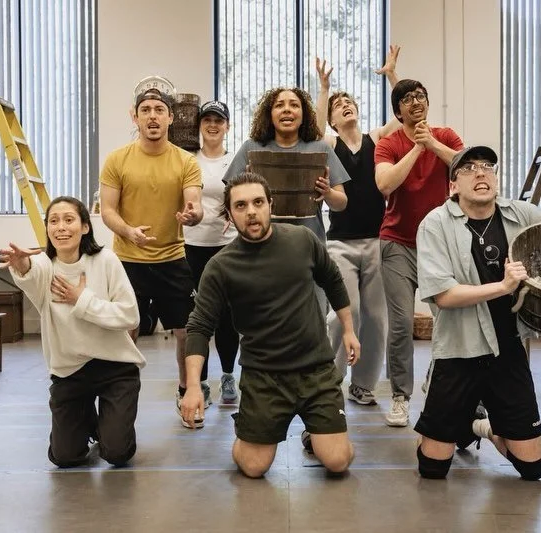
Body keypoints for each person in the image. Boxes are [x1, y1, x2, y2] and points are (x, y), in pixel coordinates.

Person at [413, 146, 541, 480]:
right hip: (457, 350)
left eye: (487, 166)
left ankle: (478, 425)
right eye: (468, 168)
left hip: (507, 349)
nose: (480, 172)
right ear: (453, 185)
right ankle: (455, 421)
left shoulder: (523, 215)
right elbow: (443, 295)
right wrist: (503, 286)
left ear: (495, 178)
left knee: (532, 469)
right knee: (433, 468)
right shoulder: (435, 224)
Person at [181, 173, 360, 477]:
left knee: (337, 460)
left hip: (315, 370)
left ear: (270, 205)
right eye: (240, 205)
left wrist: (349, 330)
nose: (251, 211)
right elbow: (199, 326)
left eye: (258, 202)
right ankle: (251, 428)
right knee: (253, 467)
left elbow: (332, 279)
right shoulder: (221, 267)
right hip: (263, 376)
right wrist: (194, 386)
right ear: (230, 215)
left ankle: (317, 432)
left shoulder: (302, 240)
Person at [1, 196, 146, 468]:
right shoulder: (44, 265)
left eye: (69, 220)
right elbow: (30, 274)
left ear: (85, 227)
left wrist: (82, 300)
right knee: (65, 457)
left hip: (116, 368)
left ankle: (113, 426)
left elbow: (130, 315)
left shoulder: (106, 260)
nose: (61, 227)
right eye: (53, 221)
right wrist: (21, 265)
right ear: (47, 228)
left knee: (116, 453)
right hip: (70, 373)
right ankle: (88, 419)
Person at [99, 87, 204, 428]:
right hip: (128, 260)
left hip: (172, 258)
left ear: (171, 117)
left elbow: (195, 204)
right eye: (146, 110)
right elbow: (108, 210)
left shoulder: (186, 161)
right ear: (136, 117)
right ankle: (120, 397)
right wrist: (128, 231)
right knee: (126, 331)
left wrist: (192, 215)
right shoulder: (117, 160)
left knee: (186, 331)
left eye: (159, 109)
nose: (153, 116)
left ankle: (187, 391)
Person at [313, 46, 401, 406]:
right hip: (341, 244)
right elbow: (313, 131)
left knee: (376, 318)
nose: (345, 105)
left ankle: (363, 385)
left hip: (377, 240)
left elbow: (403, 117)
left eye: (349, 102)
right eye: (339, 105)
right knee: (342, 316)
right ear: (333, 120)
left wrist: (392, 75)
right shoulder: (331, 143)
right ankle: (329, 381)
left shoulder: (376, 140)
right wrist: (324, 89)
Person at [374, 78, 464, 427]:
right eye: (408, 98)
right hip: (397, 242)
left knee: (448, 320)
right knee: (400, 325)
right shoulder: (389, 144)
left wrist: (432, 144)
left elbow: (466, 167)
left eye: (421, 96)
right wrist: (416, 148)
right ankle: (400, 397)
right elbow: (385, 184)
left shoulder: (446, 135)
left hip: (438, 245)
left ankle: (435, 376)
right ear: (398, 111)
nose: (416, 102)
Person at [222, 86, 351, 243]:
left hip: (309, 245)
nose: (287, 109)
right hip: (261, 246)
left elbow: (341, 204)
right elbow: (230, 197)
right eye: (279, 105)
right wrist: (246, 186)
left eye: (294, 105)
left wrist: (328, 192)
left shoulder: (321, 148)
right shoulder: (250, 148)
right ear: (270, 115)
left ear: (304, 115)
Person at [183, 100, 240, 406]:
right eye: (207, 120)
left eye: (219, 120)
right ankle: (200, 381)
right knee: (198, 317)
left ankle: (228, 376)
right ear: (200, 125)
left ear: (227, 126)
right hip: (192, 246)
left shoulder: (235, 160)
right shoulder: (188, 159)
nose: (213, 125)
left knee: (228, 317)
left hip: (227, 246)